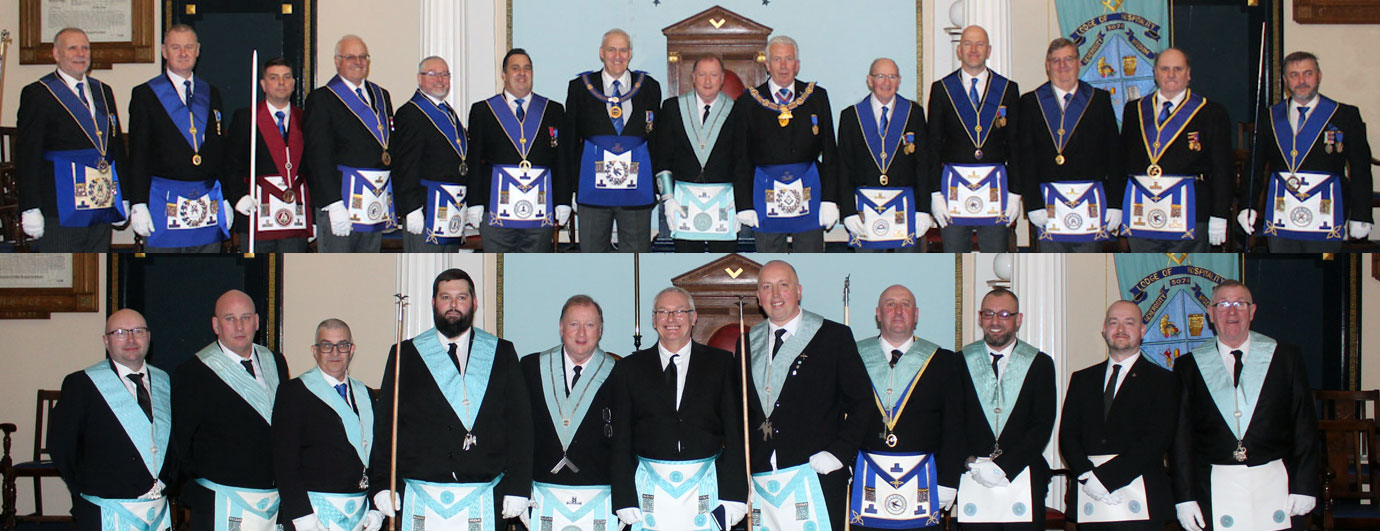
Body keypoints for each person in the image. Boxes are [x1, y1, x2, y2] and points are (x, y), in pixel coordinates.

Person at [369, 268, 532, 530]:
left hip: (486, 496)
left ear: (474, 302)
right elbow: (386, 426)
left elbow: (520, 426)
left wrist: (519, 486)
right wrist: (380, 485)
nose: (453, 305)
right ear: (433, 302)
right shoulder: (405, 354)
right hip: (421, 497)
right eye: (445, 298)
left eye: (461, 297)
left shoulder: (501, 352)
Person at [1171, 280, 1319, 531]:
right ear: (1210, 314)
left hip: (1276, 485)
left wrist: (1304, 486)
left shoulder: (1285, 357)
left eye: (1240, 304)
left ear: (1252, 311)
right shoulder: (1188, 366)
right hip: (1213, 489)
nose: (1231, 311)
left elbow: (1304, 425)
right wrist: (1184, 496)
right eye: (1223, 304)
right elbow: (1180, 437)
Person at [741, 260, 871, 531]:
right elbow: (738, 412)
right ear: (758, 297)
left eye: (783, 285)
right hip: (762, 478)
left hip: (816, 474)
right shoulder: (746, 343)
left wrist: (839, 453)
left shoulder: (834, 337)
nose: (775, 295)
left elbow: (863, 403)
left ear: (798, 291)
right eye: (767, 287)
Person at [609, 287, 748, 530]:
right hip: (648, 494)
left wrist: (735, 496)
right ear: (653, 320)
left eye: (680, 311)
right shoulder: (629, 369)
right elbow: (621, 439)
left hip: (706, 490)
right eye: (663, 312)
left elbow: (735, 434)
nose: (671, 319)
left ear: (694, 318)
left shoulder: (721, 364)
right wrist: (623, 496)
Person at [173, 290, 291, 531]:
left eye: (246, 317)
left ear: (257, 321)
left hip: (274, 500)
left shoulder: (276, 362)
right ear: (216, 325)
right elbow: (179, 444)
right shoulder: (192, 373)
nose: (239, 326)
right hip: (222, 501)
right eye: (230, 319)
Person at [49, 309, 177, 530]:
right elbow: (61, 447)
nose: (130, 339)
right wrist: (86, 490)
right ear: (106, 341)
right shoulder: (81, 384)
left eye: (138, 331)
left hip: (158, 509)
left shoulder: (165, 381)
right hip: (106, 509)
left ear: (148, 337)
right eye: (120, 332)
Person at [846, 285, 961, 529]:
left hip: (923, 484)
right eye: (890, 304)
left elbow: (955, 425)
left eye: (905, 304)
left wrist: (949, 479)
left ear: (916, 314)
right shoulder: (852, 357)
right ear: (878, 313)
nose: (898, 311)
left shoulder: (944, 362)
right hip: (865, 481)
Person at [1059, 301, 1177, 530]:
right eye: (1114, 322)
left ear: (1142, 331)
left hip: (1141, 498)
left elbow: (1157, 439)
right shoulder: (1082, 379)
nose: (1120, 329)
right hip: (1088, 494)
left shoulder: (1163, 381)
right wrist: (1086, 476)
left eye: (1129, 323)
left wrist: (1106, 479)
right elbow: (1068, 436)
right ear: (1104, 329)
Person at [1239, 51, 1373, 252]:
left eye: (1307, 73)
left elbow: (1360, 169)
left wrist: (1362, 214)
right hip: (1280, 214)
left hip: (1327, 214)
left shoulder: (1345, 115)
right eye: (1294, 75)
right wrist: (1247, 205)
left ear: (1319, 75)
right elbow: (1255, 166)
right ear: (1285, 80)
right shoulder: (1270, 117)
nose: (1301, 81)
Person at [17, 27, 128, 251]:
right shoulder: (39, 93)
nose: (81, 53)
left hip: (100, 202)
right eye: (72, 48)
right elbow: (27, 154)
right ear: (56, 54)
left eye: (85, 48)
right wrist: (30, 206)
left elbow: (114, 146)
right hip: (59, 209)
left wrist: (122, 195)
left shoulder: (102, 91)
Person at [954, 288, 1055, 530]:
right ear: (980, 318)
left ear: (1018, 319)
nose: (995, 321)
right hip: (973, 478)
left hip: (1023, 476)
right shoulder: (959, 362)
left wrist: (1002, 467)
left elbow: (1041, 426)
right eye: (988, 314)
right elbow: (952, 422)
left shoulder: (1039, 364)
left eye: (1004, 314)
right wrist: (971, 463)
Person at [731, 35, 841, 252]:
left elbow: (830, 152)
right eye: (777, 60)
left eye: (789, 59)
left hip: (810, 191)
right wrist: (743, 204)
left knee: (811, 260)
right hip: (764, 192)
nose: (783, 66)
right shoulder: (748, 101)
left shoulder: (816, 97)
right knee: (770, 263)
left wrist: (830, 199)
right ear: (767, 65)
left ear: (797, 65)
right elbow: (740, 157)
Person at [272, 319, 384, 531]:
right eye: (326, 345)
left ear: (352, 350)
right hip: (313, 515)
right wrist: (301, 517)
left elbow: (377, 455)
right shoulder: (294, 393)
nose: (335, 353)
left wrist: (376, 507)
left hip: (360, 514)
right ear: (315, 351)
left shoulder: (366, 395)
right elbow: (284, 463)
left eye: (342, 345)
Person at [1118, 48, 1234, 252]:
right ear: (1155, 73)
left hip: (1192, 213)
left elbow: (1222, 168)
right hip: (1142, 212)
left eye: (1178, 69)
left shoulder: (1210, 112)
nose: (1171, 74)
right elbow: (1122, 162)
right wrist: (1118, 206)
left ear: (1188, 74)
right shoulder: (1134, 110)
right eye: (1165, 69)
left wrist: (1219, 214)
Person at [127, 24, 230, 252]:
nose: (183, 53)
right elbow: (138, 153)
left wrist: (226, 198)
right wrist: (137, 202)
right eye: (176, 47)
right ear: (164, 51)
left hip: (206, 201)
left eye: (188, 47)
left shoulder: (211, 93)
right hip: (163, 202)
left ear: (198, 50)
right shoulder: (145, 95)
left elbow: (218, 149)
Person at [520, 295, 618, 529]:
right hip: (542, 493)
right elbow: (518, 436)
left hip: (599, 494)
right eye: (574, 324)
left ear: (600, 330)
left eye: (590, 325)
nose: (581, 334)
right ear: (561, 328)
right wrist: (518, 490)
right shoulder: (531, 368)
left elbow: (625, 443)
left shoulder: (619, 373)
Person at [1017, 38, 1123, 252]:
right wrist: (1033, 202)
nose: (1062, 65)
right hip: (1047, 208)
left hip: (1090, 205)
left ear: (1079, 62)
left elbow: (1114, 154)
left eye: (1068, 59)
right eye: (1056, 60)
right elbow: (1024, 158)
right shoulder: (1031, 102)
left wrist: (1115, 202)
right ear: (1047, 65)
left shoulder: (1098, 100)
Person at [561, 29, 663, 252]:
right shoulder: (580, 87)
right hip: (592, 192)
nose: (618, 55)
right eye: (611, 49)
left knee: (637, 254)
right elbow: (569, 143)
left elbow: (655, 139)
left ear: (630, 53)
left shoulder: (649, 87)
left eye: (623, 50)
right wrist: (568, 190)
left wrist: (656, 184)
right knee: (592, 254)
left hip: (636, 191)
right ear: (601, 53)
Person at [927, 25, 1023, 252]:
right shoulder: (942, 89)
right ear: (959, 50)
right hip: (953, 193)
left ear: (988, 50)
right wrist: (934, 194)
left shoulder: (1007, 89)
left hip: (995, 191)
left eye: (979, 44)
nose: (973, 49)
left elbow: (1016, 146)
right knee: (954, 256)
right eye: (968, 43)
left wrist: (1015, 194)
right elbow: (932, 147)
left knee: (993, 254)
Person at [468, 48, 568, 252]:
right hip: (495, 211)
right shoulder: (483, 111)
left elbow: (561, 159)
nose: (522, 73)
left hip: (540, 212)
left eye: (527, 68)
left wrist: (563, 200)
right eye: (515, 68)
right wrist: (474, 201)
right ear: (504, 74)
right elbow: (474, 159)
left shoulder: (553, 110)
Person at [304, 35, 395, 252]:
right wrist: (332, 203)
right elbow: (318, 156)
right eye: (351, 57)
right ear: (337, 61)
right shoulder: (322, 99)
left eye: (363, 56)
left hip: (375, 197)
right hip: (341, 201)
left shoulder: (381, 95)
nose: (358, 62)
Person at [838, 58, 932, 252]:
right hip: (864, 212)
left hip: (905, 211)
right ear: (869, 80)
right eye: (880, 76)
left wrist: (924, 209)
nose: (886, 82)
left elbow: (924, 165)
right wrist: (848, 211)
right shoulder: (851, 116)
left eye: (892, 76)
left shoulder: (914, 113)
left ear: (899, 81)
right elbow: (843, 166)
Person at [653, 53, 744, 252]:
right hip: (683, 204)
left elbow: (742, 160)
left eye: (713, 75)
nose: (708, 80)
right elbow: (663, 156)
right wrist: (668, 198)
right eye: (702, 74)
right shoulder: (672, 108)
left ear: (722, 79)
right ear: (693, 77)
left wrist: (741, 200)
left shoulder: (737, 111)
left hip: (724, 206)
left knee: (724, 264)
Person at [226, 57, 312, 252]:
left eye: (286, 77)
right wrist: (238, 197)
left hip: (295, 217)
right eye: (274, 78)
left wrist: (312, 216)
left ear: (293, 83)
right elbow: (230, 164)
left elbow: (312, 169)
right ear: (263, 85)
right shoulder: (246, 118)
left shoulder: (305, 119)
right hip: (256, 214)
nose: (281, 83)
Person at [394, 56, 470, 252]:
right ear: (419, 79)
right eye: (433, 74)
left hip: (452, 207)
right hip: (425, 208)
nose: (440, 79)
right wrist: (411, 208)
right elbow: (405, 164)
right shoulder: (410, 113)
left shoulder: (449, 113)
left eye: (445, 74)